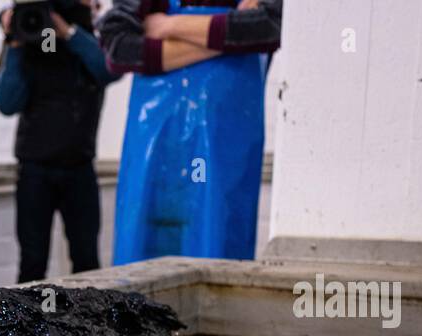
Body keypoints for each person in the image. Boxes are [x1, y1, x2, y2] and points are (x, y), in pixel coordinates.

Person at [98, 0, 283, 264]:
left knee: (215, 236)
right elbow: (118, 48)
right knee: (145, 247)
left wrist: (167, 26)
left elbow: (271, 27)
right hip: (155, 144)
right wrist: (227, 40)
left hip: (225, 141)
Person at [0, 0, 121, 284]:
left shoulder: (87, 43)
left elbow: (108, 69)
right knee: (32, 262)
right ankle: (27, 325)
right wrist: (14, 41)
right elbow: (6, 102)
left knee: (87, 262)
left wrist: (68, 32)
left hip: (79, 168)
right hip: (34, 170)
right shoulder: (27, 46)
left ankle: (88, 326)